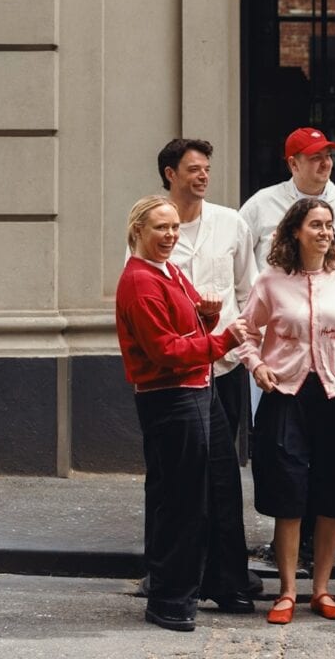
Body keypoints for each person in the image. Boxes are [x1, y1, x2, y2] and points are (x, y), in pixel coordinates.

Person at [115, 196, 254, 633]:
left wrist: (208, 318)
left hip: (197, 389)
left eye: (175, 227)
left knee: (212, 491)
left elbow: (188, 327)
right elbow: (165, 351)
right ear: (138, 230)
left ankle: (208, 585)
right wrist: (223, 339)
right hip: (171, 397)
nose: (171, 235)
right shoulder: (140, 281)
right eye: (161, 228)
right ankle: (170, 599)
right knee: (182, 502)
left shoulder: (169, 271)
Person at [237, 197, 335, 625]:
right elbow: (246, 331)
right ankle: (287, 592)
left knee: (333, 493)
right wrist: (257, 365)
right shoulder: (271, 279)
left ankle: (321, 590)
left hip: (334, 394)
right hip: (286, 394)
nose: (325, 232)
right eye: (316, 224)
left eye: (329, 225)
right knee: (288, 493)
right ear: (295, 231)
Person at [157, 138, 257, 439]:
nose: (203, 176)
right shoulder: (151, 227)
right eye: (194, 169)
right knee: (181, 451)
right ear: (170, 174)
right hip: (176, 368)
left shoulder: (230, 222)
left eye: (207, 169)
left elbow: (248, 292)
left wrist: (249, 351)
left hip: (225, 363)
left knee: (223, 452)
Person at [239, 127, 335, 275]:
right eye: (316, 158)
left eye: (328, 156)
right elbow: (237, 255)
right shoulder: (261, 203)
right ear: (293, 164)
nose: (326, 163)